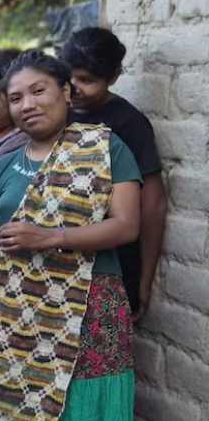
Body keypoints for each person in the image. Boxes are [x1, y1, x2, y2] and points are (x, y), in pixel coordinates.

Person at [0, 51, 140, 421]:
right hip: (17, 324)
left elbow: (127, 225)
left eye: (38, 90)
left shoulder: (107, 147)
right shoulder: (4, 166)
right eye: (15, 97)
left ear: (66, 92)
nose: (27, 103)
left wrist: (51, 238)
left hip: (90, 314)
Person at [62, 26, 166, 319]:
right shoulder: (54, 111)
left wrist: (144, 281)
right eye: (69, 77)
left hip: (112, 263)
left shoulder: (128, 123)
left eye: (87, 80)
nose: (75, 87)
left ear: (115, 77)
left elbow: (153, 204)